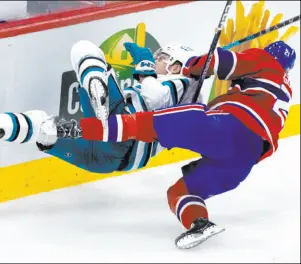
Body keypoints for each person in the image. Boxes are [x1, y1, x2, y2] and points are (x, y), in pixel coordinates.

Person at [72, 40, 296, 249]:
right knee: (180, 192)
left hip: (228, 128)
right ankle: (199, 223)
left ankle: (83, 129)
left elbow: (220, 62)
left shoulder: (265, 61)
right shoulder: (285, 91)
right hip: (244, 160)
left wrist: (191, 66)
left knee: (149, 124)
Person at [0, 40, 200, 174]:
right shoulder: (189, 102)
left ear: (176, 66)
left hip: (121, 134)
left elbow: (154, 95)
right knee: (45, 126)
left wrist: (145, 66)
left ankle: (99, 103)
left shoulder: (179, 83)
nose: (157, 60)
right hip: (107, 163)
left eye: (162, 58)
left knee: (84, 49)